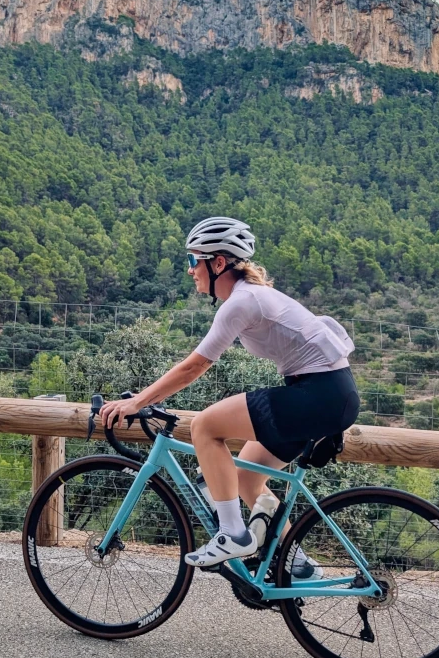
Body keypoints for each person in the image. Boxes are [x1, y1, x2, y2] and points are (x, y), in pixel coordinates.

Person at [99, 216, 360, 571]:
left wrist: (137, 402)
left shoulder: (242, 301)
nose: (191, 270)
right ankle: (295, 564)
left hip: (318, 394)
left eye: (194, 260)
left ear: (218, 263)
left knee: (205, 426)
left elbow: (195, 366)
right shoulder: (250, 297)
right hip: (327, 394)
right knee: (246, 479)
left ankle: (232, 533)